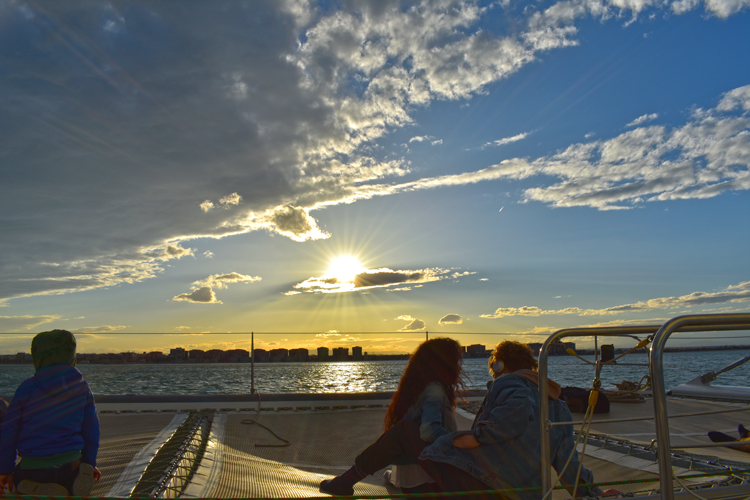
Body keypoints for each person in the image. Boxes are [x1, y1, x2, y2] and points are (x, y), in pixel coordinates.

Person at [320, 340, 597, 500]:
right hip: (525, 495)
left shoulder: (510, 383)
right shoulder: (556, 404)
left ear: (498, 365)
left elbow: (517, 409)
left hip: (488, 487)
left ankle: (348, 479)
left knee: (406, 430)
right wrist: (590, 491)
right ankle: (357, 479)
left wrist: (477, 437)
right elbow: (566, 459)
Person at [320, 337, 463, 496]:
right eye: (455, 363)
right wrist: (459, 439)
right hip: (429, 483)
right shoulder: (435, 390)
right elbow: (429, 432)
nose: (458, 368)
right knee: (404, 430)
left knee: (402, 431)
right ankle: (346, 480)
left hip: (414, 481)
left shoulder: (421, 390)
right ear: (443, 365)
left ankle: (347, 479)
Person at [0, 329, 101, 496]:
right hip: (70, 464)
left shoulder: (27, 388)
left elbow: (8, 433)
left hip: (32, 467)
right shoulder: (82, 388)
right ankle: (75, 479)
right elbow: (91, 431)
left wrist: (5, 470)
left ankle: (32, 486)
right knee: (74, 471)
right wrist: (89, 463)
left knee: (19, 477)